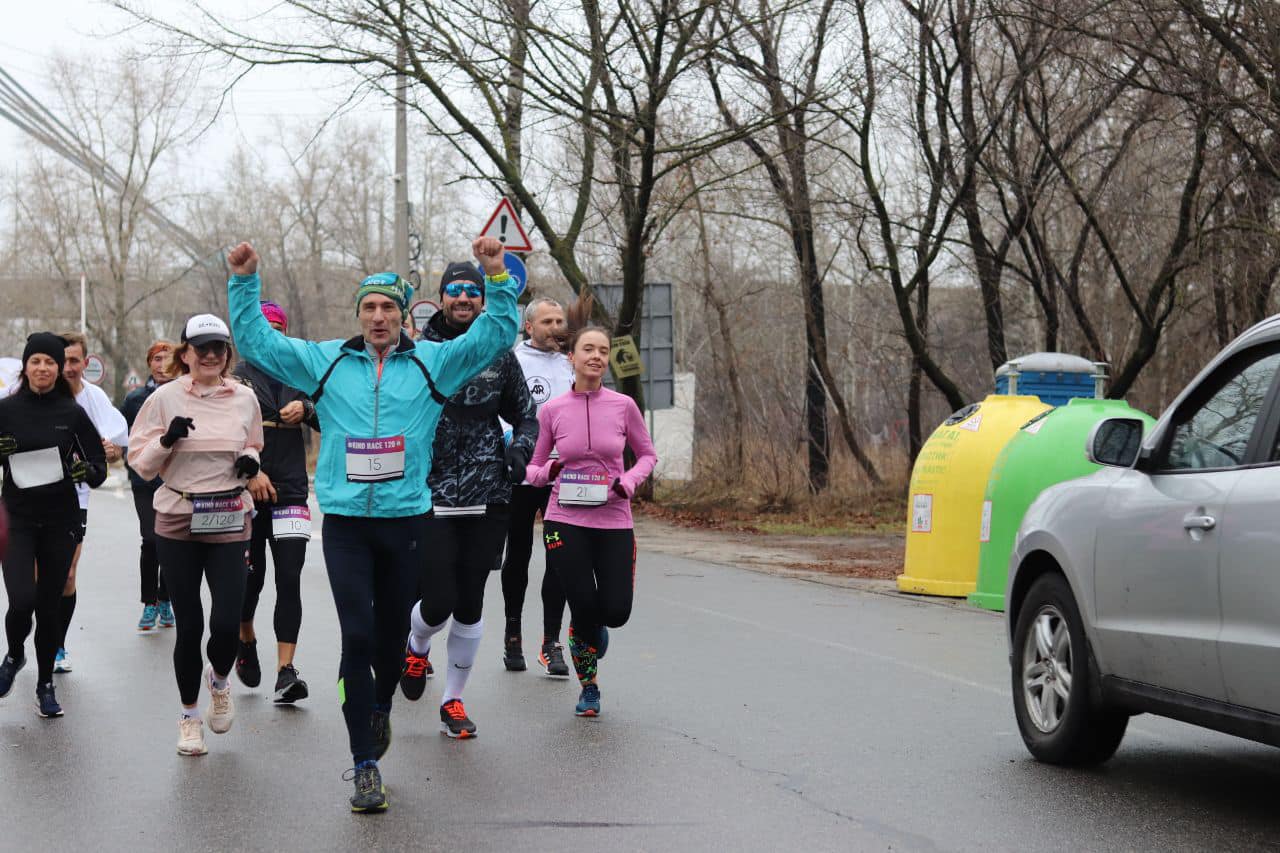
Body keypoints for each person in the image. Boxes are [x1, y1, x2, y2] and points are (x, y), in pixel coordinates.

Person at [225, 236, 518, 813]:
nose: (378, 317)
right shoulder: (329, 360)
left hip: (407, 520)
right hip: (346, 526)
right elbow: (258, 341)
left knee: (387, 644)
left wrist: (498, 276)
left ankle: (380, 707)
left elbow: (497, 335)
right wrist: (244, 282)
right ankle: (364, 763)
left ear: (403, 314)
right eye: (369, 308)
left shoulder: (435, 362)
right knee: (356, 635)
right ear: (358, 314)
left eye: (388, 308)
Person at [398, 263, 537, 738]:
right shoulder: (417, 351)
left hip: (488, 491)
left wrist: (520, 450)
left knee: (472, 600)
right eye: (454, 290)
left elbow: (527, 416)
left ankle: (453, 700)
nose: (463, 298)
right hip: (430, 490)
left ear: (482, 300)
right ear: (441, 298)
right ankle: (416, 647)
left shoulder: (499, 351)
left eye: (472, 292)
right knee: (438, 600)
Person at [127, 315, 263, 757]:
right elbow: (140, 463)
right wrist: (167, 440)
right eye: (200, 347)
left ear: (228, 354)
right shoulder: (163, 398)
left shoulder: (244, 398)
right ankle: (189, 717)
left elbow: (254, 444)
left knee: (227, 620)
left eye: (218, 348)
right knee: (189, 627)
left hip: (228, 513)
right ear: (185, 353)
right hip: (179, 516)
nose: (209, 355)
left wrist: (249, 462)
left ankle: (219, 681)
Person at [524, 297, 657, 717]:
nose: (597, 356)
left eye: (603, 351)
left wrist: (629, 481)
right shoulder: (553, 410)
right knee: (582, 607)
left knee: (614, 613)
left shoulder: (623, 406)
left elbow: (648, 455)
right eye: (589, 350)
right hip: (565, 520)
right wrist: (549, 469)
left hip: (614, 519)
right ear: (572, 358)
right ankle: (589, 686)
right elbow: (532, 469)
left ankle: (590, 631)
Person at [0, 333, 107, 716]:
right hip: (17, 519)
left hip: (61, 518)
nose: (42, 368)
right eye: (35, 362)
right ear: (25, 367)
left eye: (49, 362)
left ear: (60, 368)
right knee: (21, 601)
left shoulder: (72, 412)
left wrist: (85, 470)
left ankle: (46, 685)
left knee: (48, 606)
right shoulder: (6, 410)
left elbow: (99, 469)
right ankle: (14, 655)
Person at [233, 300, 320, 704]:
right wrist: (250, 474)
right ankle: (245, 636)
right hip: (245, 489)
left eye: (278, 329)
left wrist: (308, 409)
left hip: (291, 488)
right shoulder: (235, 377)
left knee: (289, 577)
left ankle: (286, 671)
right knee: (250, 579)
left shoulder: (301, 372)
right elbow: (220, 434)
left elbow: (333, 417)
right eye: (264, 329)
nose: (272, 336)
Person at [500, 296, 573, 675]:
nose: (556, 328)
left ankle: (551, 641)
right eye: (548, 321)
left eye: (560, 321)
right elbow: (499, 413)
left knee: (559, 554)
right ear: (529, 326)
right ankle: (513, 634)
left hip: (563, 474)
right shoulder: (512, 361)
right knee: (520, 552)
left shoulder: (570, 364)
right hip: (523, 470)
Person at [52, 331, 130, 673]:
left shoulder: (94, 398)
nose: (69, 368)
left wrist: (113, 452)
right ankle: (35, 634)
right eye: (63, 360)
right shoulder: (35, 392)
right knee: (38, 581)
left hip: (75, 496)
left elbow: (115, 447)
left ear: (85, 362)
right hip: (31, 496)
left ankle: (56, 645)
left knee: (67, 574)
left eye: (74, 361)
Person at [121, 340, 176, 631]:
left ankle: (166, 598)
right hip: (144, 479)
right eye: (156, 358)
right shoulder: (134, 399)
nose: (162, 364)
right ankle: (149, 603)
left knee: (170, 540)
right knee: (151, 539)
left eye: (167, 358)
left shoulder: (185, 395)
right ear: (149, 364)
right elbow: (124, 438)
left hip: (177, 479)